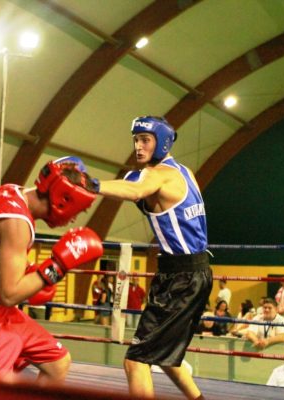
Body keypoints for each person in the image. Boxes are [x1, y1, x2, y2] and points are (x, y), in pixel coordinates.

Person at [0, 157, 103, 382]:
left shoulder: (12, 191)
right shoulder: (16, 223)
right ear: (63, 200)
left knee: (58, 363)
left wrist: (29, 272)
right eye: (77, 211)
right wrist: (57, 267)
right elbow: (10, 295)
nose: (73, 219)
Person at [91, 116, 212, 399]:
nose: (138, 146)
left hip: (181, 278)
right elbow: (141, 190)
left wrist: (91, 184)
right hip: (194, 272)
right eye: (136, 140)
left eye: (145, 140)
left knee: (135, 361)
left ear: (163, 142)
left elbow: (135, 190)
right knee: (164, 355)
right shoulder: (185, 172)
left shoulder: (158, 176)